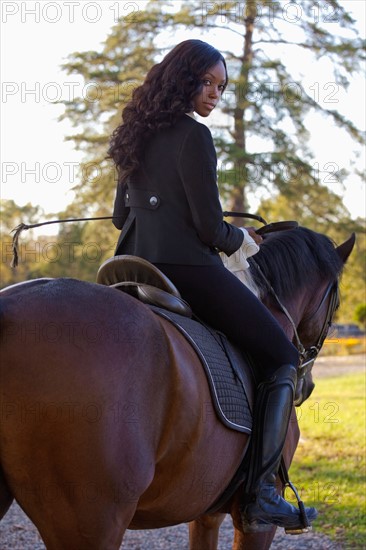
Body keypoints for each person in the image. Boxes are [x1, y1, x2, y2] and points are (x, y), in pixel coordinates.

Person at [108, 39, 317, 532]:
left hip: (129, 265)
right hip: (188, 270)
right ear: (182, 79)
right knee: (283, 358)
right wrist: (242, 238)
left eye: (221, 86)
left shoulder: (132, 132)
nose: (214, 93)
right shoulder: (194, 136)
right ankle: (263, 493)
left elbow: (121, 216)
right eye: (207, 82)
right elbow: (208, 229)